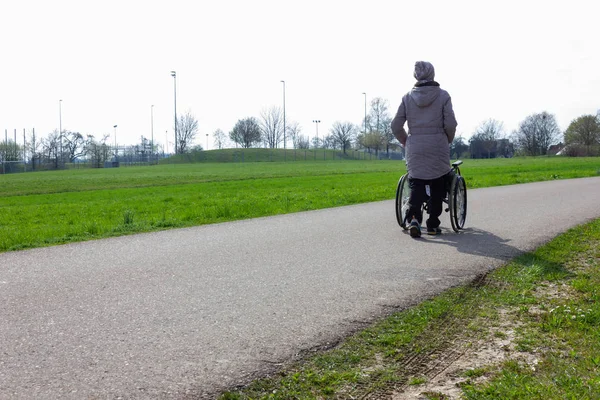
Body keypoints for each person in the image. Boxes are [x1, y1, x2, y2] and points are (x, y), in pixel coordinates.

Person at [391, 61, 457, 238]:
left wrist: (406, 141)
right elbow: (450, 123)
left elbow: (396, 125)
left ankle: (413, 218)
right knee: (438, 183)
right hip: (437, 144)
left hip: (415, 146)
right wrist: (447, 140)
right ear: (432, 74)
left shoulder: (407, 97)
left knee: (416, 182)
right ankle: (433, 224)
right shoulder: (443, 96)